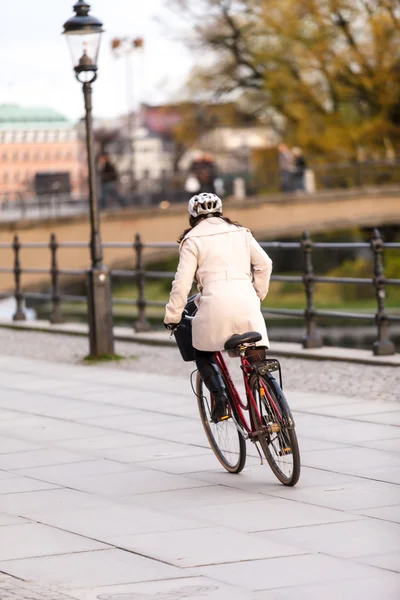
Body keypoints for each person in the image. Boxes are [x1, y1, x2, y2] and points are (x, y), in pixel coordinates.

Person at [164, 193, 273, 423]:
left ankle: (221, 400)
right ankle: (275, 415)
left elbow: (182, 284)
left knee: (202, 351)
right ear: (221, 212)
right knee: (258, 363)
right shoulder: (241, 233)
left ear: (192, 217)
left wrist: (172, 317)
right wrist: (257, 295)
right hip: (247, 304)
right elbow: (264, 264)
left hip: (214, 308)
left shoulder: (192, 240)